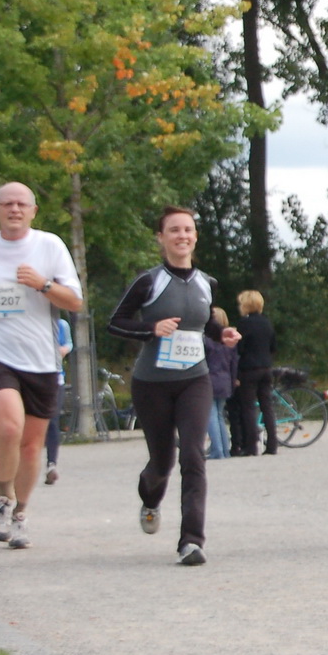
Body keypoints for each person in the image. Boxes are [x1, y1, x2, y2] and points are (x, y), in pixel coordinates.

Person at [0, 183, 86, 549]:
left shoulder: (50, 246)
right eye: (7, 204)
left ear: (33, 211)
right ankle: (2, 499)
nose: (14, 209)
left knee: (31, 445)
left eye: (21, 204)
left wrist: (43, 284)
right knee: (9, 426)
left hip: (41, 358)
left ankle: (21, 513)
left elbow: (74, 302)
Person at [107, 207, 241, 566]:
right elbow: (116, 322)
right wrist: (151, 329)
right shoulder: (148, 281)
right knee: (162, 461)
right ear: (161, 238)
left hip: (194, 380)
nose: (182, 236)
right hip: (151, 384)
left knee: (194, 455)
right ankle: (150, 499)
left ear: (195, 237)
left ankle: (191, 541)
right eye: (174, 230)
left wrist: (222, 334)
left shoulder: (207, 282)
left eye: (188, 230)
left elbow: (204, 323)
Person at [233, 290, 277, 455]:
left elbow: (240, 348)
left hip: (249, 369)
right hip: (266, 368)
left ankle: (251, 446)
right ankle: (272, 444)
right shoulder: (267, 322)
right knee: (267, 407)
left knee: (248, 408)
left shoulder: (244, 324)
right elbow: (273, 346)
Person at [204, 306, 239, 460]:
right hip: (225, 380)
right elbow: (234, 364)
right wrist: (232, 381)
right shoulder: (230, 342)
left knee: (210, 415)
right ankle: (224, 449)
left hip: (210, 379)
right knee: (219, 416)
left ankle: (217, 450)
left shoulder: (207, 341)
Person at [42, 315, 71, 485]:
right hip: (32, 376)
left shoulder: (62, 325)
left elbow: (69, 343)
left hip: (56, 377)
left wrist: (64, 349)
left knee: (52, 419)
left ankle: (51, 464)